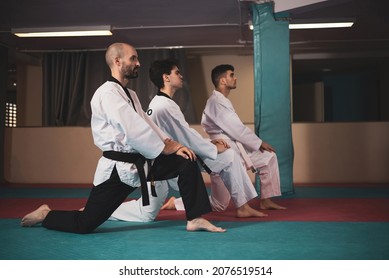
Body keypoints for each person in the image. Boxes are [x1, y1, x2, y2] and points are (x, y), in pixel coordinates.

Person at [20, 43, 225, 233]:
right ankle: (47, 215)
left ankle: (194, 218)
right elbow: (132, 129)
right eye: (133, 58)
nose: (138, 63)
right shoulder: (107, 93)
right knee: (85, 224)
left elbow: (148, 124)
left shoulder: (131, 94)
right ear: (118, 62)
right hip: (118, 169)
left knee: (185, 160)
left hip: (142, 161)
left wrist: (172, 145)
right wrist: (165, 148)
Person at [110, 59, 266, 223]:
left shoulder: (162, 103)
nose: (181, 75)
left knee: (146, 214)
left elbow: (184, 136)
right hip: (165, 166)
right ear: (166, 77)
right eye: (177, 72)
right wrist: (212, 148)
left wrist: (210, 144)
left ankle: (239, 206)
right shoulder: (164, 106)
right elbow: (187, 137)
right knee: (146, 214)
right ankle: (103, 210)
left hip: (169, 161)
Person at [201, 64, 286, 210]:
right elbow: (236, 129)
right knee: (219, 204)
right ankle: (177, 203)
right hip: (224, 149)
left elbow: (236, 130)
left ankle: (266, 200)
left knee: (268, 157)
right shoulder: (216, 102)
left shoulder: (222, 100)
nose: (235, 78)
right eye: (231, 75)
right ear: (222, 81)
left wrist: (258, 144)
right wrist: (258, 143)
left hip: (235, 147)